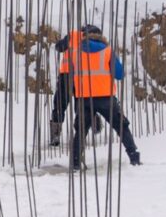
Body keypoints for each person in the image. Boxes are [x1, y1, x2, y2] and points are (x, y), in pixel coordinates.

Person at [60, 24, 141, 168]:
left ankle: (76, 163)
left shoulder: (75, 52)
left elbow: (69, 76)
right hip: (106, 98)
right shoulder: (108, 51)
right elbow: (119, 74)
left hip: (84, 98)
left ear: (84, 36)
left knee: (80, 131)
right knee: (121, 126)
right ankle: (134, 157)